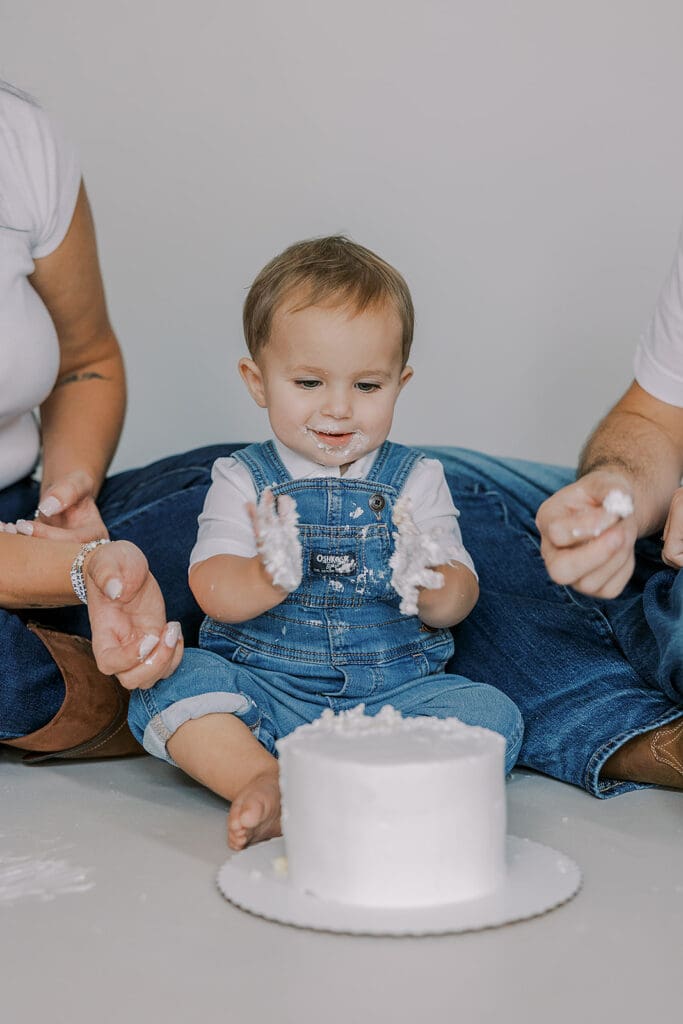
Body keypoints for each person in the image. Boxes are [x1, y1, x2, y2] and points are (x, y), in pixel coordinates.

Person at [127, 235, 524, 849]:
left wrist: (433, 583)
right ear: (257, 381)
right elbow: (210, 590)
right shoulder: (242, 478)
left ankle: (379, 799)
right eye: (309, 382)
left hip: (396, 700)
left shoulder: (416, 480)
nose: (339, 408)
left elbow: (459, 598)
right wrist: (264, 577)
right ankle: (264, 779)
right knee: (169, 682)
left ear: (401, 381)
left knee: (493, 716)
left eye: (368, 387)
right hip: (270, 694)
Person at [0, 82, 232, 759]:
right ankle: (185, 695)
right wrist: (85, 573)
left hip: (25, 519)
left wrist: (67, 493)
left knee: (272, 502)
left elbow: (86, 361)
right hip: (46, 566)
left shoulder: (20, 139)